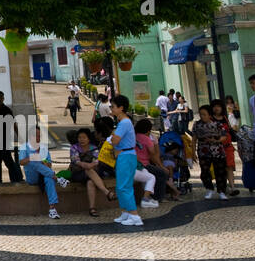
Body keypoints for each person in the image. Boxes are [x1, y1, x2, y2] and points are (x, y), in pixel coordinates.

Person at [108, 95, 143, 226]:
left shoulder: (124, 123)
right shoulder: (123, 122)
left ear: (121, 108)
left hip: (126, 155)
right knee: (121, 186)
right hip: (125, 155)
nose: (111, 108)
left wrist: (112, 138)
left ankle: (134, 215)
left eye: (113, 106)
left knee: (124, 186)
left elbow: (115, 140)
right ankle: (126, 212)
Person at [19, 123, 62, 219]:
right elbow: (21, 162)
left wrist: (45, 163)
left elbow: (49, 164)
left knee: (49, 179)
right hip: (32, 177)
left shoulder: (43, 147)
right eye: (35, 135)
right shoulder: (24, 147)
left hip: (44, 175)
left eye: (39, 135)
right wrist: (32, 157)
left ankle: (52, 209)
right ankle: (57, 178)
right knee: (35, 163)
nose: (38, 137)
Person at [68, 128, 113, 216]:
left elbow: (96, 161)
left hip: (92, 173)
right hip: (78, 173)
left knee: (91, 182)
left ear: (89, 138)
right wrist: (87, 165)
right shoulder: (74, 148)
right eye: (80, 137)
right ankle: (107, 192)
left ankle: (92, 208)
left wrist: (89, 166)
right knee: (88, 170)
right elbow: (76, 161)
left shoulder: (94, 148)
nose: (81, 140)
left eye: (84, 137)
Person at [134, 118, 179, 203]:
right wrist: (161, 167)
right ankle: (158, 197)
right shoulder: (147, 139)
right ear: (148, 130)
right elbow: (153, 155)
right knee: (162, 173)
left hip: (135, 163)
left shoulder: (135, 136)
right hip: (143, 164)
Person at [190, 105, 229, 201]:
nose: (202, 116)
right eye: (201, 114)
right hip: (203, 151)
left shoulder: (217, 124)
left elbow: (225, 136)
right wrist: (193, 152)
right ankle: (209, 188)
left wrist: (216, 140)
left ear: (209, 115)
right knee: (205, 171)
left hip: (217, 151)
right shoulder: (197, 124)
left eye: (204, 114)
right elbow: (194, 138)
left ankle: (221, 191)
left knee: (220, 171)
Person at [0, 90, 23, 184]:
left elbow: (13, 124)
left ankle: (15, 179)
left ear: (3, 98)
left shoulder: (7, 110)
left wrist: (19, 136)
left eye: (0, 98)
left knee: (8, 162)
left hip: (5, 141)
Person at [210, 100, 239, 196]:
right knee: (220, 168)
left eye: (218, 106)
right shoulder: (210, 119)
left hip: (228, 147)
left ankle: (232, 187)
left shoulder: (225, 118)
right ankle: (222, 187)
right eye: (214, 106)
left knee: (229, 166)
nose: (216, 108)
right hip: (217, 148)